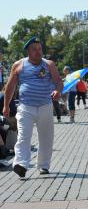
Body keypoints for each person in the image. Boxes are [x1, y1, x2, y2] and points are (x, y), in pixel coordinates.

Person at [3, 37, 63, 178]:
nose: (38, 52)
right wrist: (6, 106)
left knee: (46, 138)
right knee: (23, 136)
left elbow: (59, 82)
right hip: (25, 107)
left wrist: (58, 91)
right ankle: (21, 164)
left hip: (45, 106)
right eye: (34, 49)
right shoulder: (18, 65)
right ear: (28, 51)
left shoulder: (49, 65)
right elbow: (10, 87)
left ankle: (43, 165)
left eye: (39, 48)